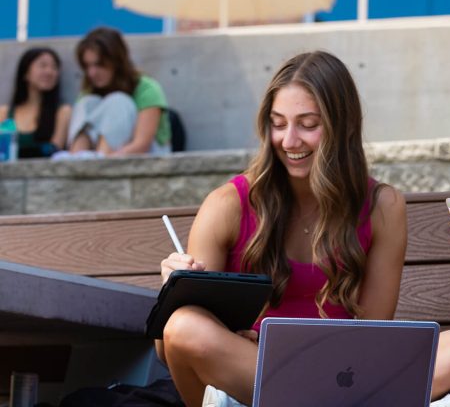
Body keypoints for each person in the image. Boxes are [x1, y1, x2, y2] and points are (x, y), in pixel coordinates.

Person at [156, 51, 408, 407]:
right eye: (278, 123)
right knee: (182, 326)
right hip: (251, 380)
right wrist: (174, 289)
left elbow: (372, 339)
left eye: (307, 124)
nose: (289, 141)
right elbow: (171, 350)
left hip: (344, 376)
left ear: (345, 126)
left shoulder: (384, 207)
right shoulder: (228, 205)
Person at [68, 27, 172, 156]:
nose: (92, 73)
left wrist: (106, 161)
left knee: (118, 101)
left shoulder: (146, 87)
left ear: (116, 61)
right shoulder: (88, 92)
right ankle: (77, 160)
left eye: (99, 64)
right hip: (102, 156)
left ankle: (99, 160)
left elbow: (141, 145)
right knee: (87, 103)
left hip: (148, 157)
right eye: (87, 66)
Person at [0, 47, 72, 158]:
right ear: (25, 73)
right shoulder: (4, 112)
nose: (49, 72)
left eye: (54, 67)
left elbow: (55, 149)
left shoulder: (63, 111)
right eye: (42, 66)